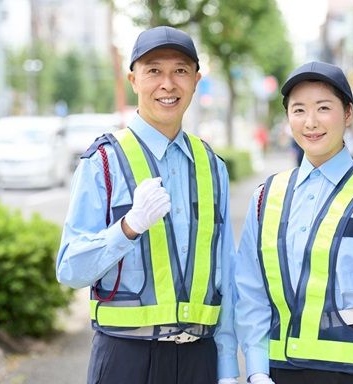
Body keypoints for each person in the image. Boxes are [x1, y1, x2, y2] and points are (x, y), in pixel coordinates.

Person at [56, 26, 239, 384]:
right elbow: (70, 269)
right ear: (133, 79)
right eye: (154, 70)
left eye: (180, 71)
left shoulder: (212, 166)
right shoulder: (104, 162)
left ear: (196, 80)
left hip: (199, 360)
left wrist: (229, 366)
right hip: (125, 359)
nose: (167, 84)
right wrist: (128, 228)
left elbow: (226, 274)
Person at [234, 61, 353, 384]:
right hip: (282, 372)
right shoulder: (268, 195)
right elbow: (251, 291)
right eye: (298, 110)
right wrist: (255, 369)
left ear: (348, 113)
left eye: (323, 108)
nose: (310, 122)